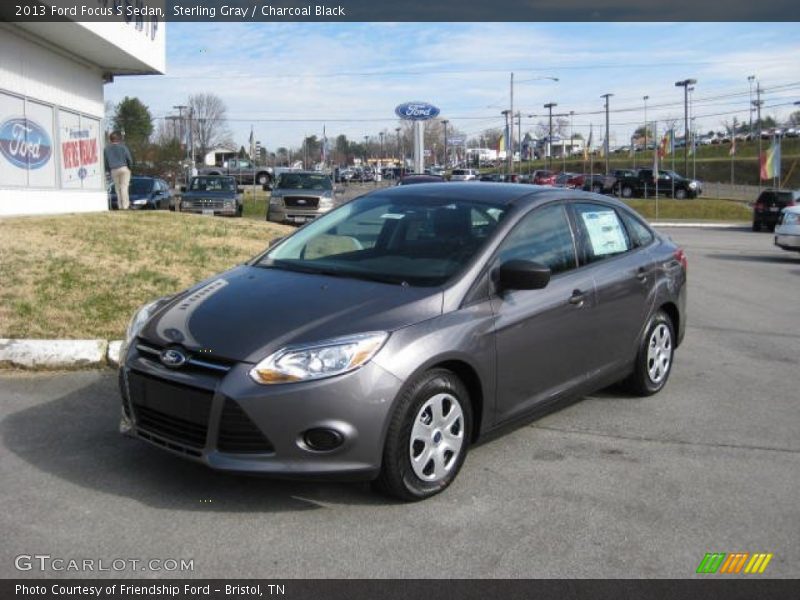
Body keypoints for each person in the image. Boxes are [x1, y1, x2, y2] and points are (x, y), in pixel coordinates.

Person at [104, 131, 133, 210]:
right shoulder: (123, 147)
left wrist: (108, 170)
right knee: (124, 187)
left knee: (117, 188)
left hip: (113, 169)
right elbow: (129, 159)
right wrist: (129, 168)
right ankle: (125, 205)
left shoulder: (106, 149)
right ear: (118, 139)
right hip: (123, 168)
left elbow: (106, 161)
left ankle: (120, 205)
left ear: (110, 139)